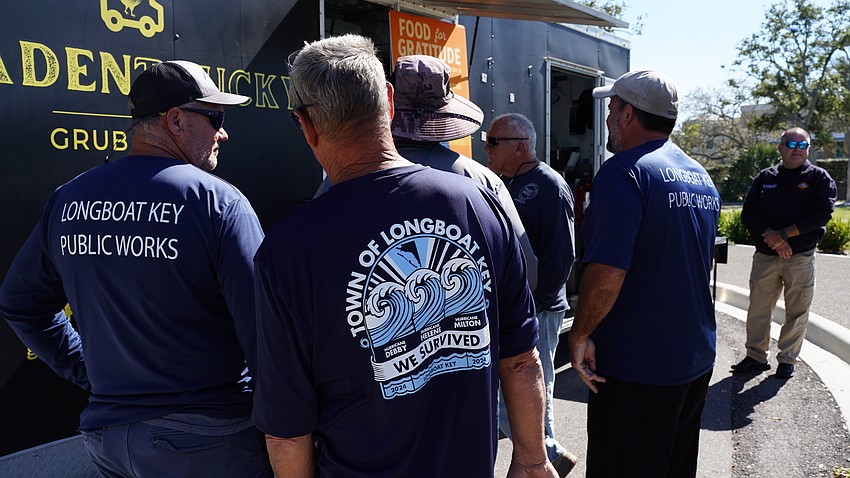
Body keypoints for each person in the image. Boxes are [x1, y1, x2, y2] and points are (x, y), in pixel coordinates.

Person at [252, 34, 557, 478]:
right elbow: (522, 358)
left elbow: (286, 431)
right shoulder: (478, 203)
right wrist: (531, 459)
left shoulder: (286, 250)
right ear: (389, 103)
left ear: (306, 124)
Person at [0, 60, 272, 477]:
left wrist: (87, 369)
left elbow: (20, 303)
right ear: (176, 120)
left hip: (110, 438)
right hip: (208, 438)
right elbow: (266, 335)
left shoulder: (69, 199)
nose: (223, 132)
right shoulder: (218, 203)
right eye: (215, 117)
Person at [568, 70, 720, 478]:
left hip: (638, 366)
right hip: (693, 357)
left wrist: (579, 334)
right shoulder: (701, 177)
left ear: (628, 114)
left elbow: (606, 273)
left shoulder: (624, 172)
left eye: (612, 107)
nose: (607, 117)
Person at [315, 53, 539, 290]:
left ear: (387, 108)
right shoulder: (483, 181)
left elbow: (316, 262)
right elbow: (527, 275)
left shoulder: (342, 179)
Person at [484, 113, 578, 476]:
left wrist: (532, 305)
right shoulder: (504, 183)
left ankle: (547, 456)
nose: (486, 148)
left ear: (519, 145)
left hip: (538, 310)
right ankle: (541, 457)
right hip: (512, 312)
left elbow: (561, 255)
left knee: (534, 393)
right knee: (503, 398)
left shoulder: (549, 185)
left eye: (493, 141)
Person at [731, 127, 837, 379]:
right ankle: (756, 357)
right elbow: (749, 214)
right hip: (765, 256)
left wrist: (785, 235)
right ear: (780, 148)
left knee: (797, 310)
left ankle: (787, 359)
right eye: (791, 144)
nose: (796, 150)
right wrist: (773, 237)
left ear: (808, 149)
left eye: (802, 146)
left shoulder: (819, 178)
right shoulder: (765, 177)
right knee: (758, 308)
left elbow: (821, 214)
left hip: (800, 258)